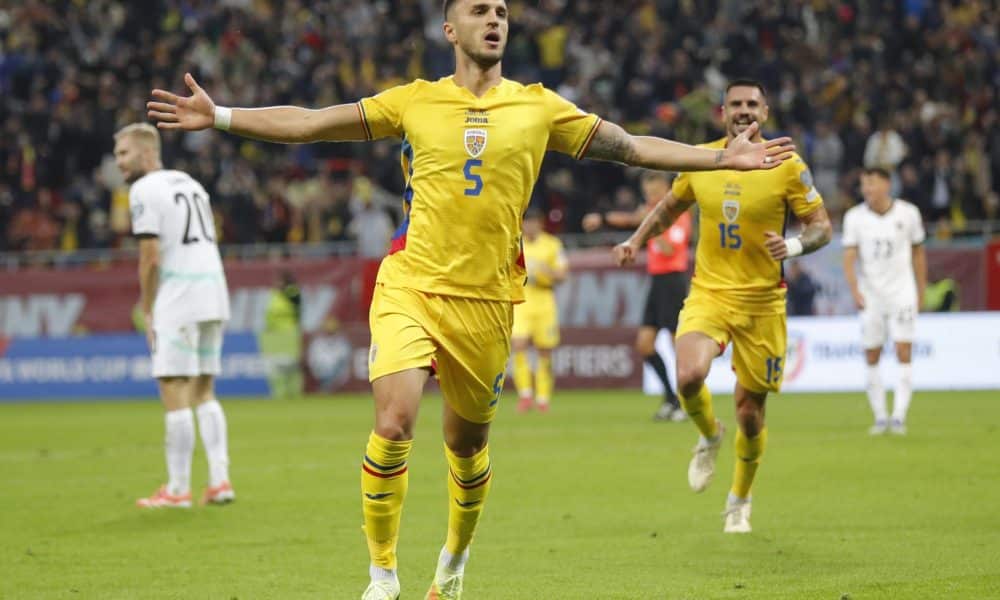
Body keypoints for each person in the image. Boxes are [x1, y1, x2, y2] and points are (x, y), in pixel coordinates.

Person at [147, 2, 794, 595]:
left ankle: (453, 562)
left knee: (466, 447)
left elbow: (629, 146)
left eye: (502, 12)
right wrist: (222, 116)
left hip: (487, 301)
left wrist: (719, 160)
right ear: (450, 30)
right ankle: (382, 575)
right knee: (394, 422)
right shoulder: (415, 99)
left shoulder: (539, 106)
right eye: (479, 10)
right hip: (411, 282)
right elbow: (313, 123)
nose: (495, 19)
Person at [613, 79, 832, 534]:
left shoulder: (787, 164)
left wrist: (792, 246)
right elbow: (669, 208)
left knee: (750, 414)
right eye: (736, 104)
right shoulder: (701, 159)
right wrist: (636, 239)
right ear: (723, 112)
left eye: (753, 103)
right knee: (689, 375)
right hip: (709, 293)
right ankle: (710, 434)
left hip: (762, 302)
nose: (744, 110)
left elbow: (821, 226)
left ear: (765, 112)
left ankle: (739, 499)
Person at [115, 123, 234, 509]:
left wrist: (148, 306)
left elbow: (150, 257)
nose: (119, 163)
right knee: (204, 390)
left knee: (174, 387)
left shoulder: (143, 190)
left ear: (147, 152)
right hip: (213, 291)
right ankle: (219, 481)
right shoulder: (190, 183)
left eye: (124, 153)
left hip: (179, 296)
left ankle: (178, 488)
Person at [583, 170, 692, 422]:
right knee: (644, 344)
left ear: (666, 189)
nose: (650, 196)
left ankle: (687, 402)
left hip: (673, 281)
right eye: (647, 192)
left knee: (678, 346)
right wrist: (602, 218)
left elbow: (669, 249)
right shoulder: (652, 214)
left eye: (654, 192)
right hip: (657, 281)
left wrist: (651, 227)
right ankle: (671, 399)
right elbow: (629, 219)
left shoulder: (679, 215)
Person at [842, 168, 927, 435]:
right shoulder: (854, 217)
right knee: (872, 353)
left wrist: (920, 290)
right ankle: (880, 417)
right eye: (864, 184)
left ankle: (899, 416)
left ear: (887, 185)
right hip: (871, 295)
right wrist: (855, 290)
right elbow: (849, 257)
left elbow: (918, 253)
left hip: (902, 292)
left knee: (903, 350)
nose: (868, 189)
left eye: (873, 183)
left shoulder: (909, 213)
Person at [511, 207, 568, 413]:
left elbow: (562, 275)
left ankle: (543, 398)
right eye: (527, 222)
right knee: (519, 345)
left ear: (541, 223)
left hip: (544, 301)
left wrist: (548, 271)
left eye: (534, 222)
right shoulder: (514, 244)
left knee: (545, 351)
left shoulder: (552, 244)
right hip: (522, 301)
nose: (531, 226)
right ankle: (525, 395)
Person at [260, 270, 304, 400]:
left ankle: (294, 392)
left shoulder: (292, 292)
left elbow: (296, 301)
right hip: (274, 336)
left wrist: (286, 288)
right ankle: (279, 393)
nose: (277, 283)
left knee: (291, 365)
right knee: (276, 366)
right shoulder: (275, 295)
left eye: (280, 281)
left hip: (289, 334)